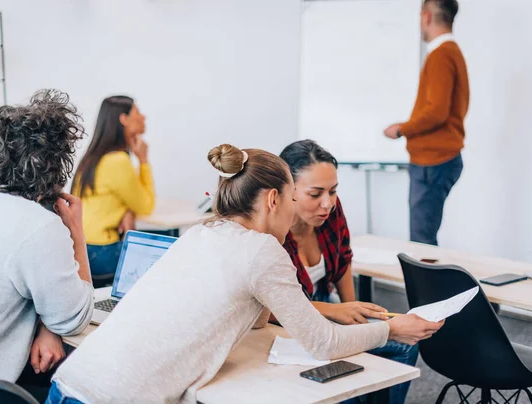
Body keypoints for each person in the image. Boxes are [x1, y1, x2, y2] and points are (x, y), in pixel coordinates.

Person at [48, 144, 443, 403]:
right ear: (273, 200)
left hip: (69, 384)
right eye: (293, 200)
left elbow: (254, 324)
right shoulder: (262, 250)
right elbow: (322, 343)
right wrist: (393, 329)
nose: (294, 211)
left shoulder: (202, 232)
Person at [0, 89, 94, 404]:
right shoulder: (38, 226)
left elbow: (14, 287)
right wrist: (76, 229)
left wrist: (47, 328)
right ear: (51, 161)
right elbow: (74, 318)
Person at [279, 139, 418, 404]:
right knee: (348, 386)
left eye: (333, 191)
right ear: (287, 189)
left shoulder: (329, 209)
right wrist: (337, 313)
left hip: (323, 305)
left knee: (405, 343)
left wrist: (352, 309)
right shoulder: (270, 230)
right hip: (291, 324)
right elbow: (274, 309)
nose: (327, 203)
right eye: (316, 193)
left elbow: (343, 260)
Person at [384, 0, 469, 246]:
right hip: (437, 160)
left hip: (433, 161)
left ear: (426, 17)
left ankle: (426, 286)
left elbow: (436, 112)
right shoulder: (450, 53)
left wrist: (402, 129)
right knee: (423, 238)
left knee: (421, 242)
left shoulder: (442, 55)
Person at [72, 96, 155, 282]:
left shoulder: (94, 157)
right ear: (124, 119)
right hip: (103, 253)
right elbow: (146, 206)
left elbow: (121, 200)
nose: (143, 117)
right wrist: (143, 160)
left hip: (82, 250)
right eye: (137, 112)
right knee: (166, 254)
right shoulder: (117, 161)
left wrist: (128, 211)